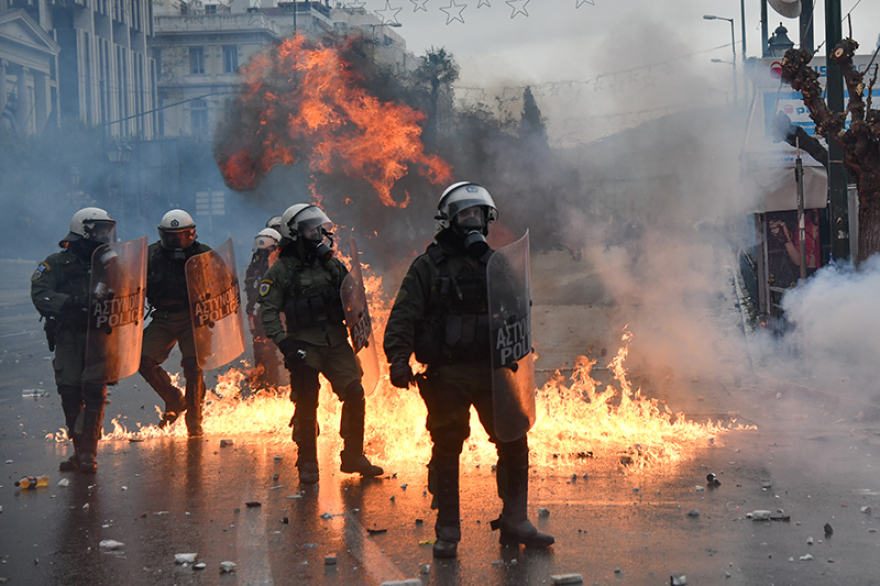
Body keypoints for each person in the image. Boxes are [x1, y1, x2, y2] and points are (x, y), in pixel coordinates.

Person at [383, 182, 554, 558]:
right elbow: (404, 316)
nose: (472, 222)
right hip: (447, 374)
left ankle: (515, 519)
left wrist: (519, 350)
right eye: (464, 215)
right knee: (447, 446)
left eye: (478, 215)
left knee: (513, 440)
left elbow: (517, 310)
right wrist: (398, 358)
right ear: (449, 220)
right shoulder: (427, 267)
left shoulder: (497, 263)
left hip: (493, 371)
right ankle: (447, 529)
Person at [259, 204, 383, 484]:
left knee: (354, 392)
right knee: (306, 400)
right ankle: (307, 462)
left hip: (336, 341)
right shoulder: (281, 272)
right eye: (310, 230)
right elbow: (267, 311)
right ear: (295, 234)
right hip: (304, 343)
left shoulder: (332, 265)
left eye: (318, 228)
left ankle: (353, 455)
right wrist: (284, 344)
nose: (318, 234)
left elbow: (352, 297)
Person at [31, 208, 117, 473]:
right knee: (69, 390)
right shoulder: (55, 263)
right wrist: (71, 302)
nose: (105, 236)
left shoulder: (108, 263)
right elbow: (40, 293)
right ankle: (79, 449)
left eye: (107, 230)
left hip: (99, 334)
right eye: (100, 230)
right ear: (83, 231)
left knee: (93, 390)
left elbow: (128, 290)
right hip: (68, 334)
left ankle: (88, 453)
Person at [138, 209, 212, 437]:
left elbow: (222, 283)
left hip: (192, 315)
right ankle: (174, 399)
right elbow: (134, 284)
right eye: (171, 236)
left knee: (193, 365)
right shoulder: (150, 256)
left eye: (181, 235)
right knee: (142, 360)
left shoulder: (203, 255)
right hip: (163, 315)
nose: (176, 240)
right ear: (163, 235)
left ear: (192, 234)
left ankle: (194, 421)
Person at [244, 227, 283, 390]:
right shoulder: (255, 267)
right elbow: (250, 286)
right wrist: (251, 307)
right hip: (265, 310)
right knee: (262, 346)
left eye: (267, 251)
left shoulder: (285, 265)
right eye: (260, 252)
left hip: (284, 310)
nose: (262, 256)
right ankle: (265, 380)